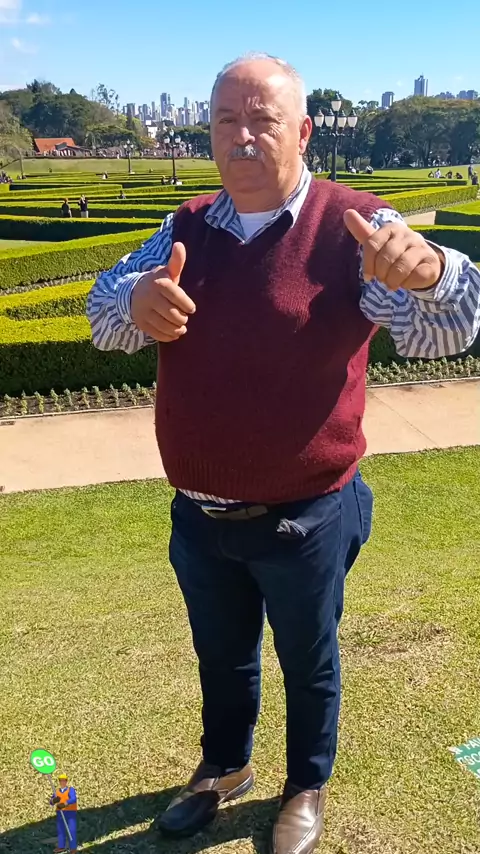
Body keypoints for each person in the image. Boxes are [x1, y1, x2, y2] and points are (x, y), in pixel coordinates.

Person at [86, 54, 480, 854]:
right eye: (226, 120)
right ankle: (225, 767)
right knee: (222, 655)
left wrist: (433, 273)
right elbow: (103, 312)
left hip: (307, 514)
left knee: (309, 659)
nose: (242, 137)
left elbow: (448, 329)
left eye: (262, 120)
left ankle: (305, 783)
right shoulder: (186, 226)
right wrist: (135, 299)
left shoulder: (351, 226)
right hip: (200, 515)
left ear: (302, 132)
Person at [49, 773, 78, 853]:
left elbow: (73, 799)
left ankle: (73, 848)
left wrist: (64, 804)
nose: (62, 782)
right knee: (60, 830)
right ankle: (61, 846)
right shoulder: (57, 791)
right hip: (60, 813)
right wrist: (53, 800)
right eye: (61, 781)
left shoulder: (70, 789)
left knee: (71, 830)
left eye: (64, 781)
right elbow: (51, 802)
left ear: (66, 781)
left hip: (70, 812)